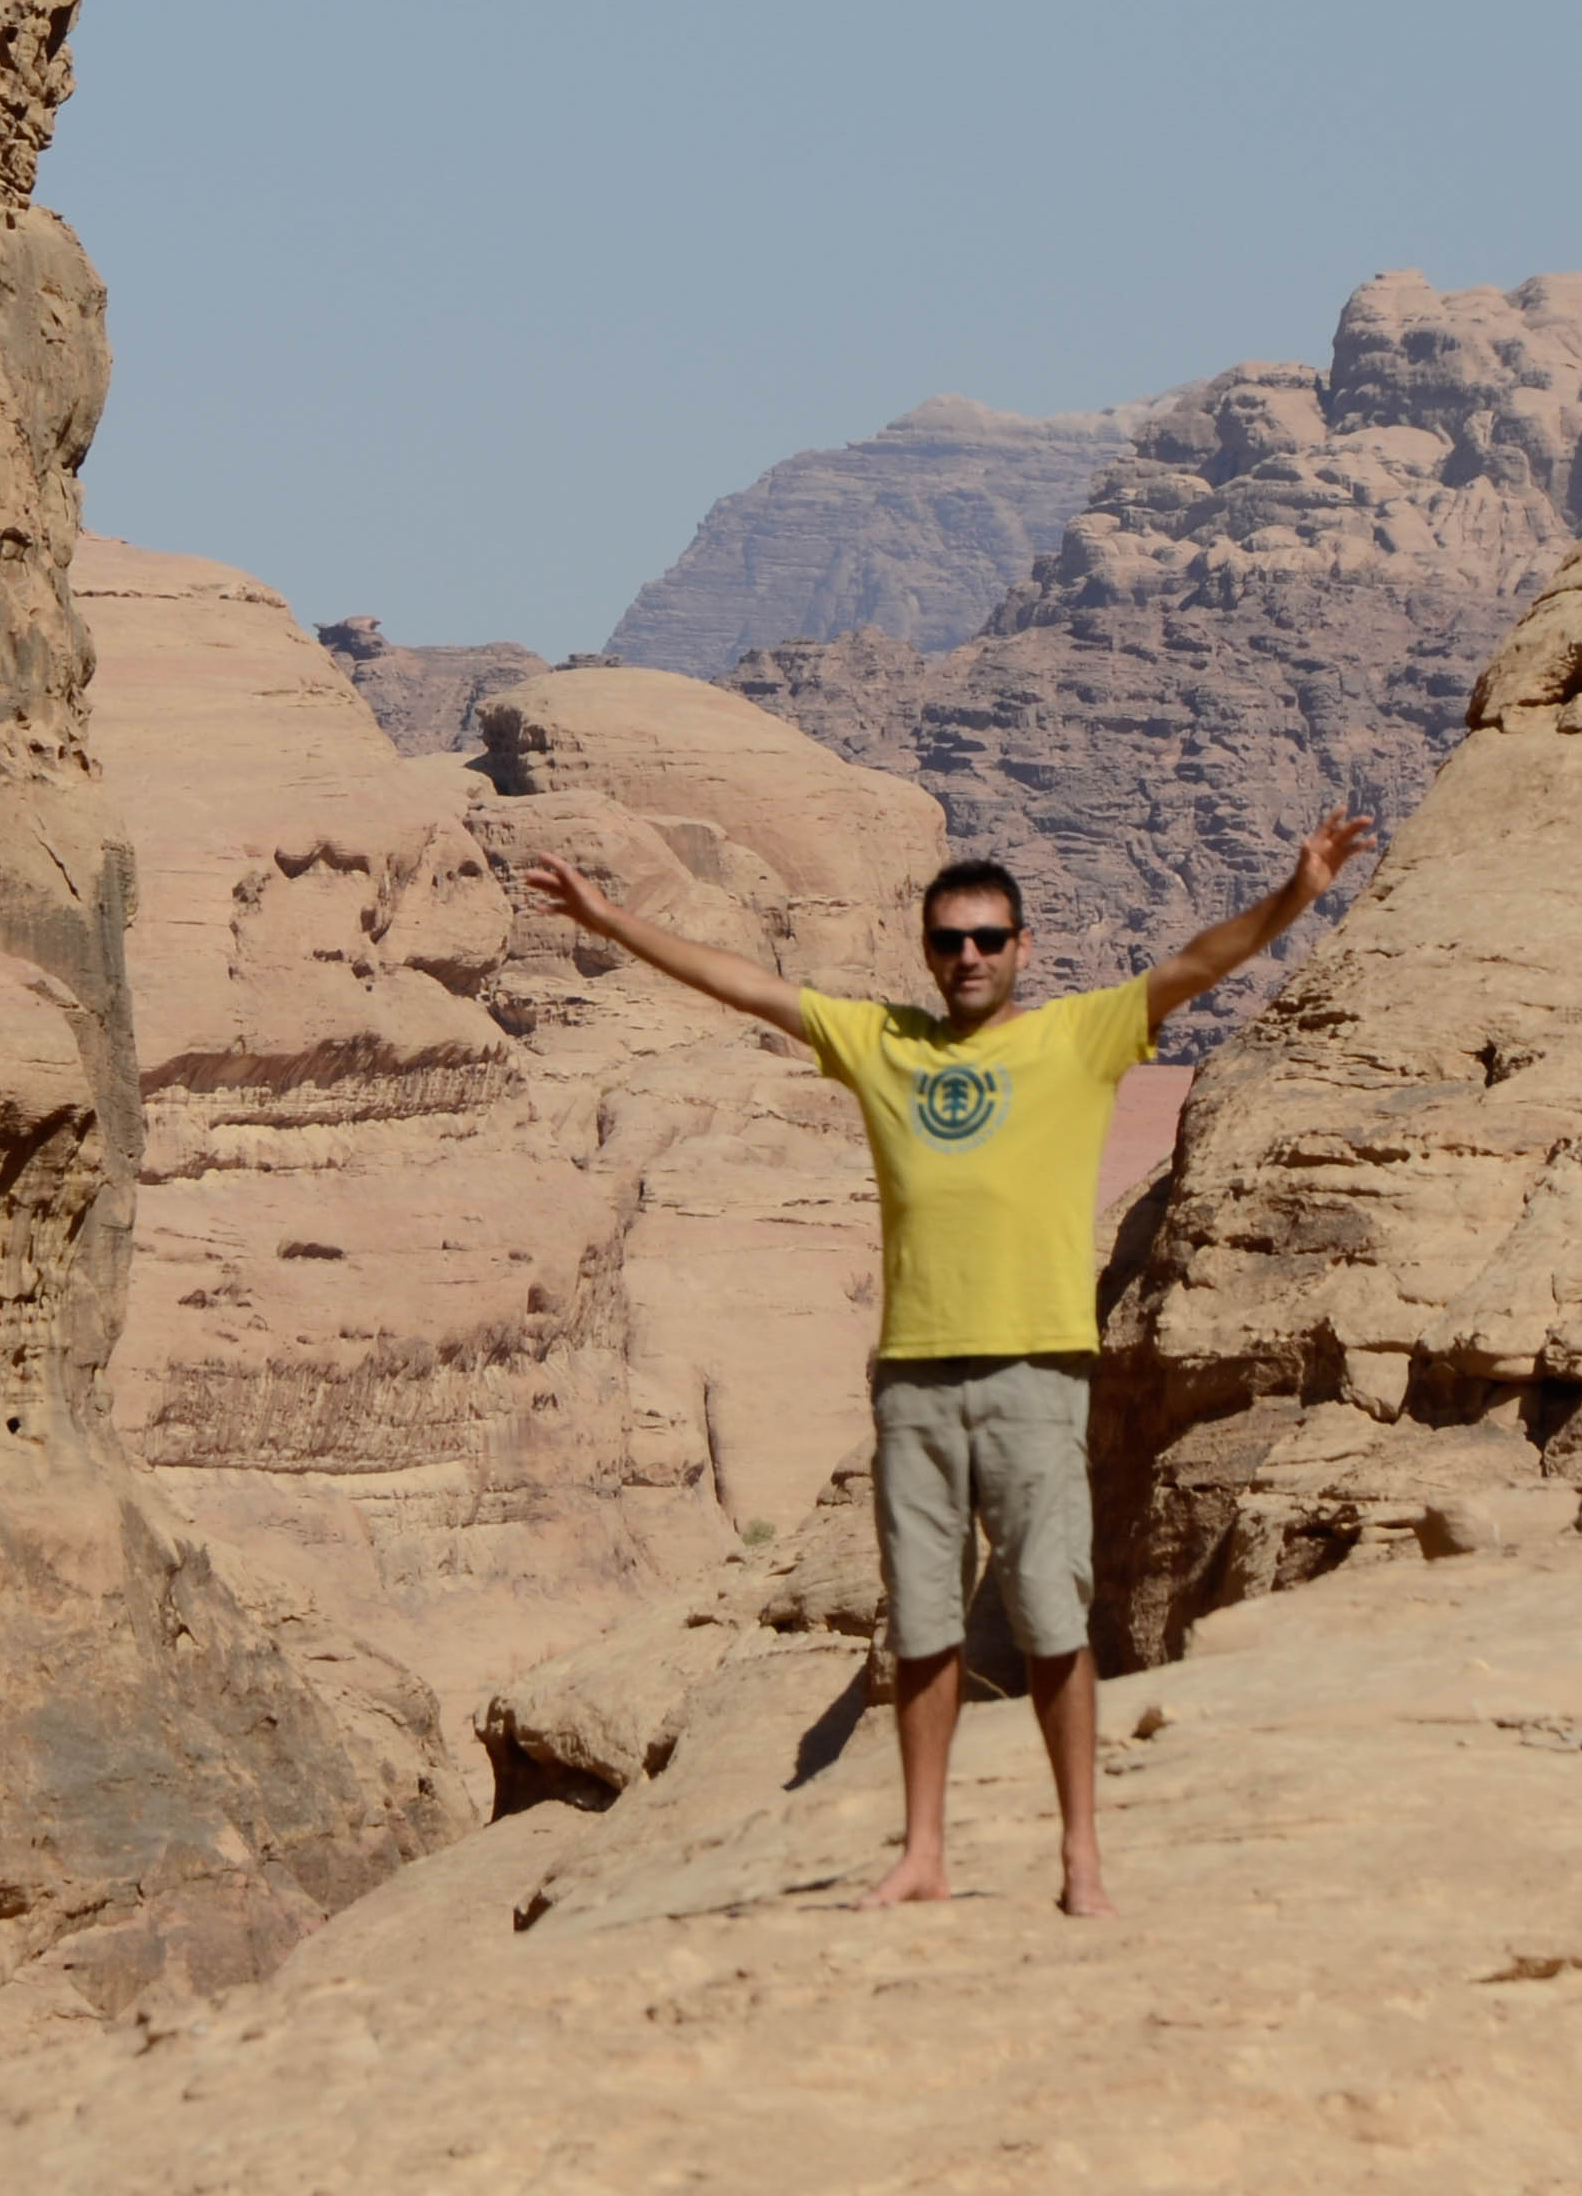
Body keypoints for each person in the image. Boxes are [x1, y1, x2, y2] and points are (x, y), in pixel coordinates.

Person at [521, 817, 1377, 1916]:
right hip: (916, 1377)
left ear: (1022, 948)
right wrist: (607, 921)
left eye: (985, 938)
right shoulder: (884, 1044)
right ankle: (921, 1852)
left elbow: (1194, 967)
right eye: (947, 941)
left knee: (1049, 1615)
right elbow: (744, 987)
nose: (966, 956)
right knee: (921, 1625)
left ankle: (1080, 1855)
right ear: (926, 954)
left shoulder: (1078, 1037)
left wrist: (1293, 893)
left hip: (1032, 1371)